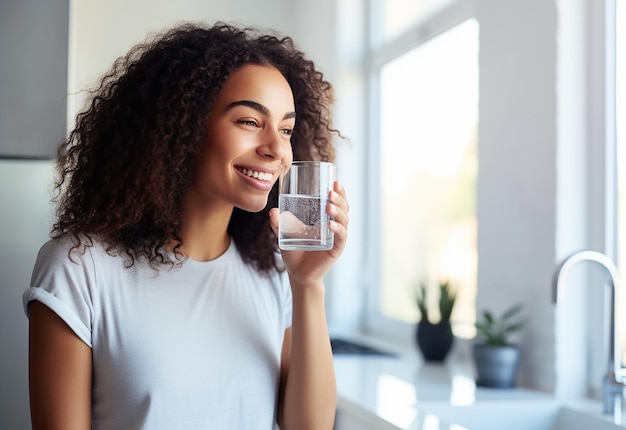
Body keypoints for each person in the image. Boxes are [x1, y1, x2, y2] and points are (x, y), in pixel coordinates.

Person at [23, 22, 349, 430]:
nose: (277, 149)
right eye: (249, 122)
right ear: (186, 125)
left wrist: (308, 285)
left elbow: (309, 427)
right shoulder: (79, 268)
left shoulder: (274, 274)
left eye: (286, 129)